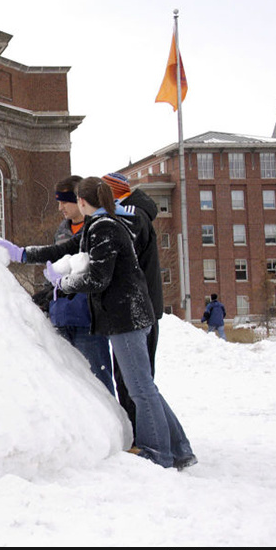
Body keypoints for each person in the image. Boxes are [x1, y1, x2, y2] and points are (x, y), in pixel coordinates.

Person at [43, 177, 196, 469]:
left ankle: (157, 451)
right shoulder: (113, 222)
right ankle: (177, 447)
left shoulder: (120, 223)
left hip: (128, 314)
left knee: (138, 386)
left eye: (69, 199)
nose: (63, 206)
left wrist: (63, 282)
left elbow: (103, 275)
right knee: (142, 385)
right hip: (131, 312)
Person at [12, 176, 115, 395]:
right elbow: (56, 262)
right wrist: (47, 296)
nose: (60, 208)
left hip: (88, 319)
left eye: (64, 202)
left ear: (80, 200)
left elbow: (97, 276)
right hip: (63, 315)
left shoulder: (97, 228)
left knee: (99, 384)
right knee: (69, 389)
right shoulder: (61, 231)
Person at [101, 172, 165, 437]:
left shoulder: (132, 216)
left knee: (136, 383)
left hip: (137, 313)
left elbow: (119, 262)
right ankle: (153, 438)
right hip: (139, 310)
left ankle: (148, 439)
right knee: (136, 381)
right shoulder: (132, 214)